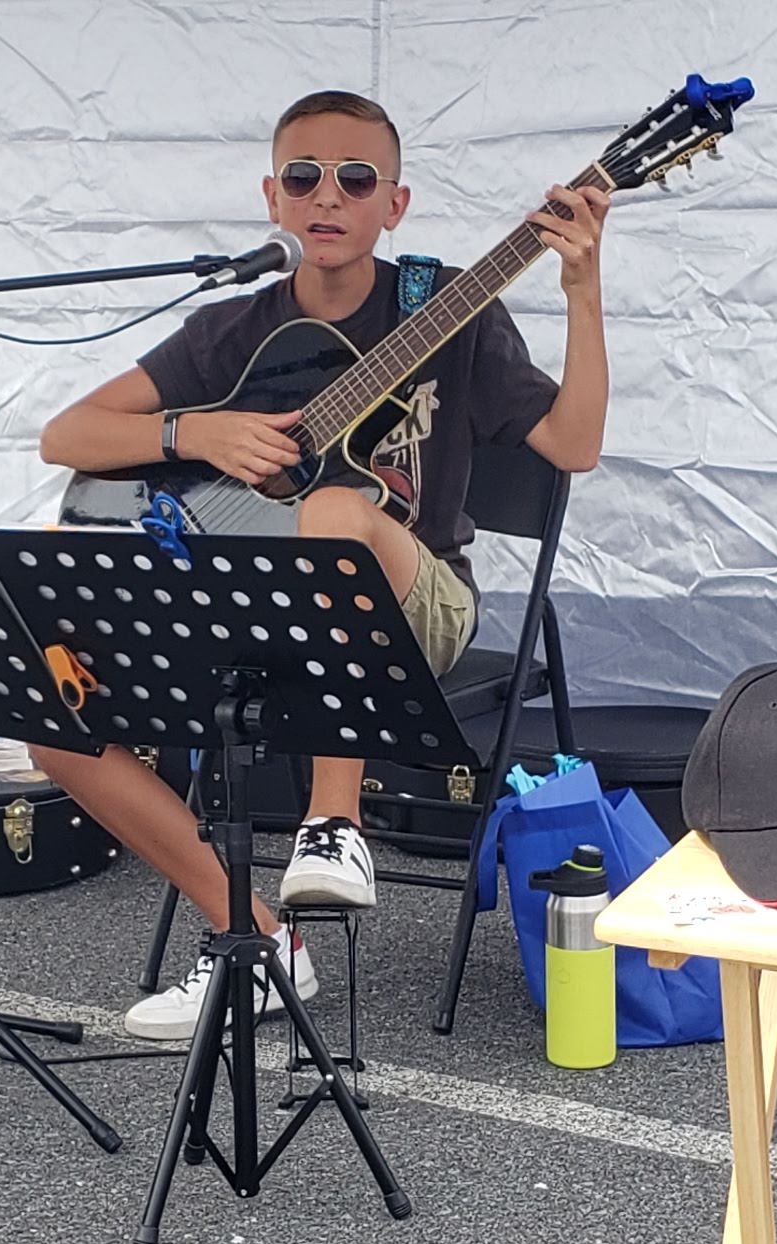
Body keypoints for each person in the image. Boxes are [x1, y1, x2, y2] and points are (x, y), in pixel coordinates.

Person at [33, 89, 610, 1041]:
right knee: (57, 729)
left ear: (396, 203)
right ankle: (256, 944)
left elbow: (574, 444)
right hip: (258, 608)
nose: (326, 196)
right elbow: (68, 436)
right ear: (273, 197)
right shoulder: (239, 328)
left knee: (341, 507)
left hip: (412, 603)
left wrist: (581, 288)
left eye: (355, 178)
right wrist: (200, 429)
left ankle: (334, 825)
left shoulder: (447, 307)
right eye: (303, 177)